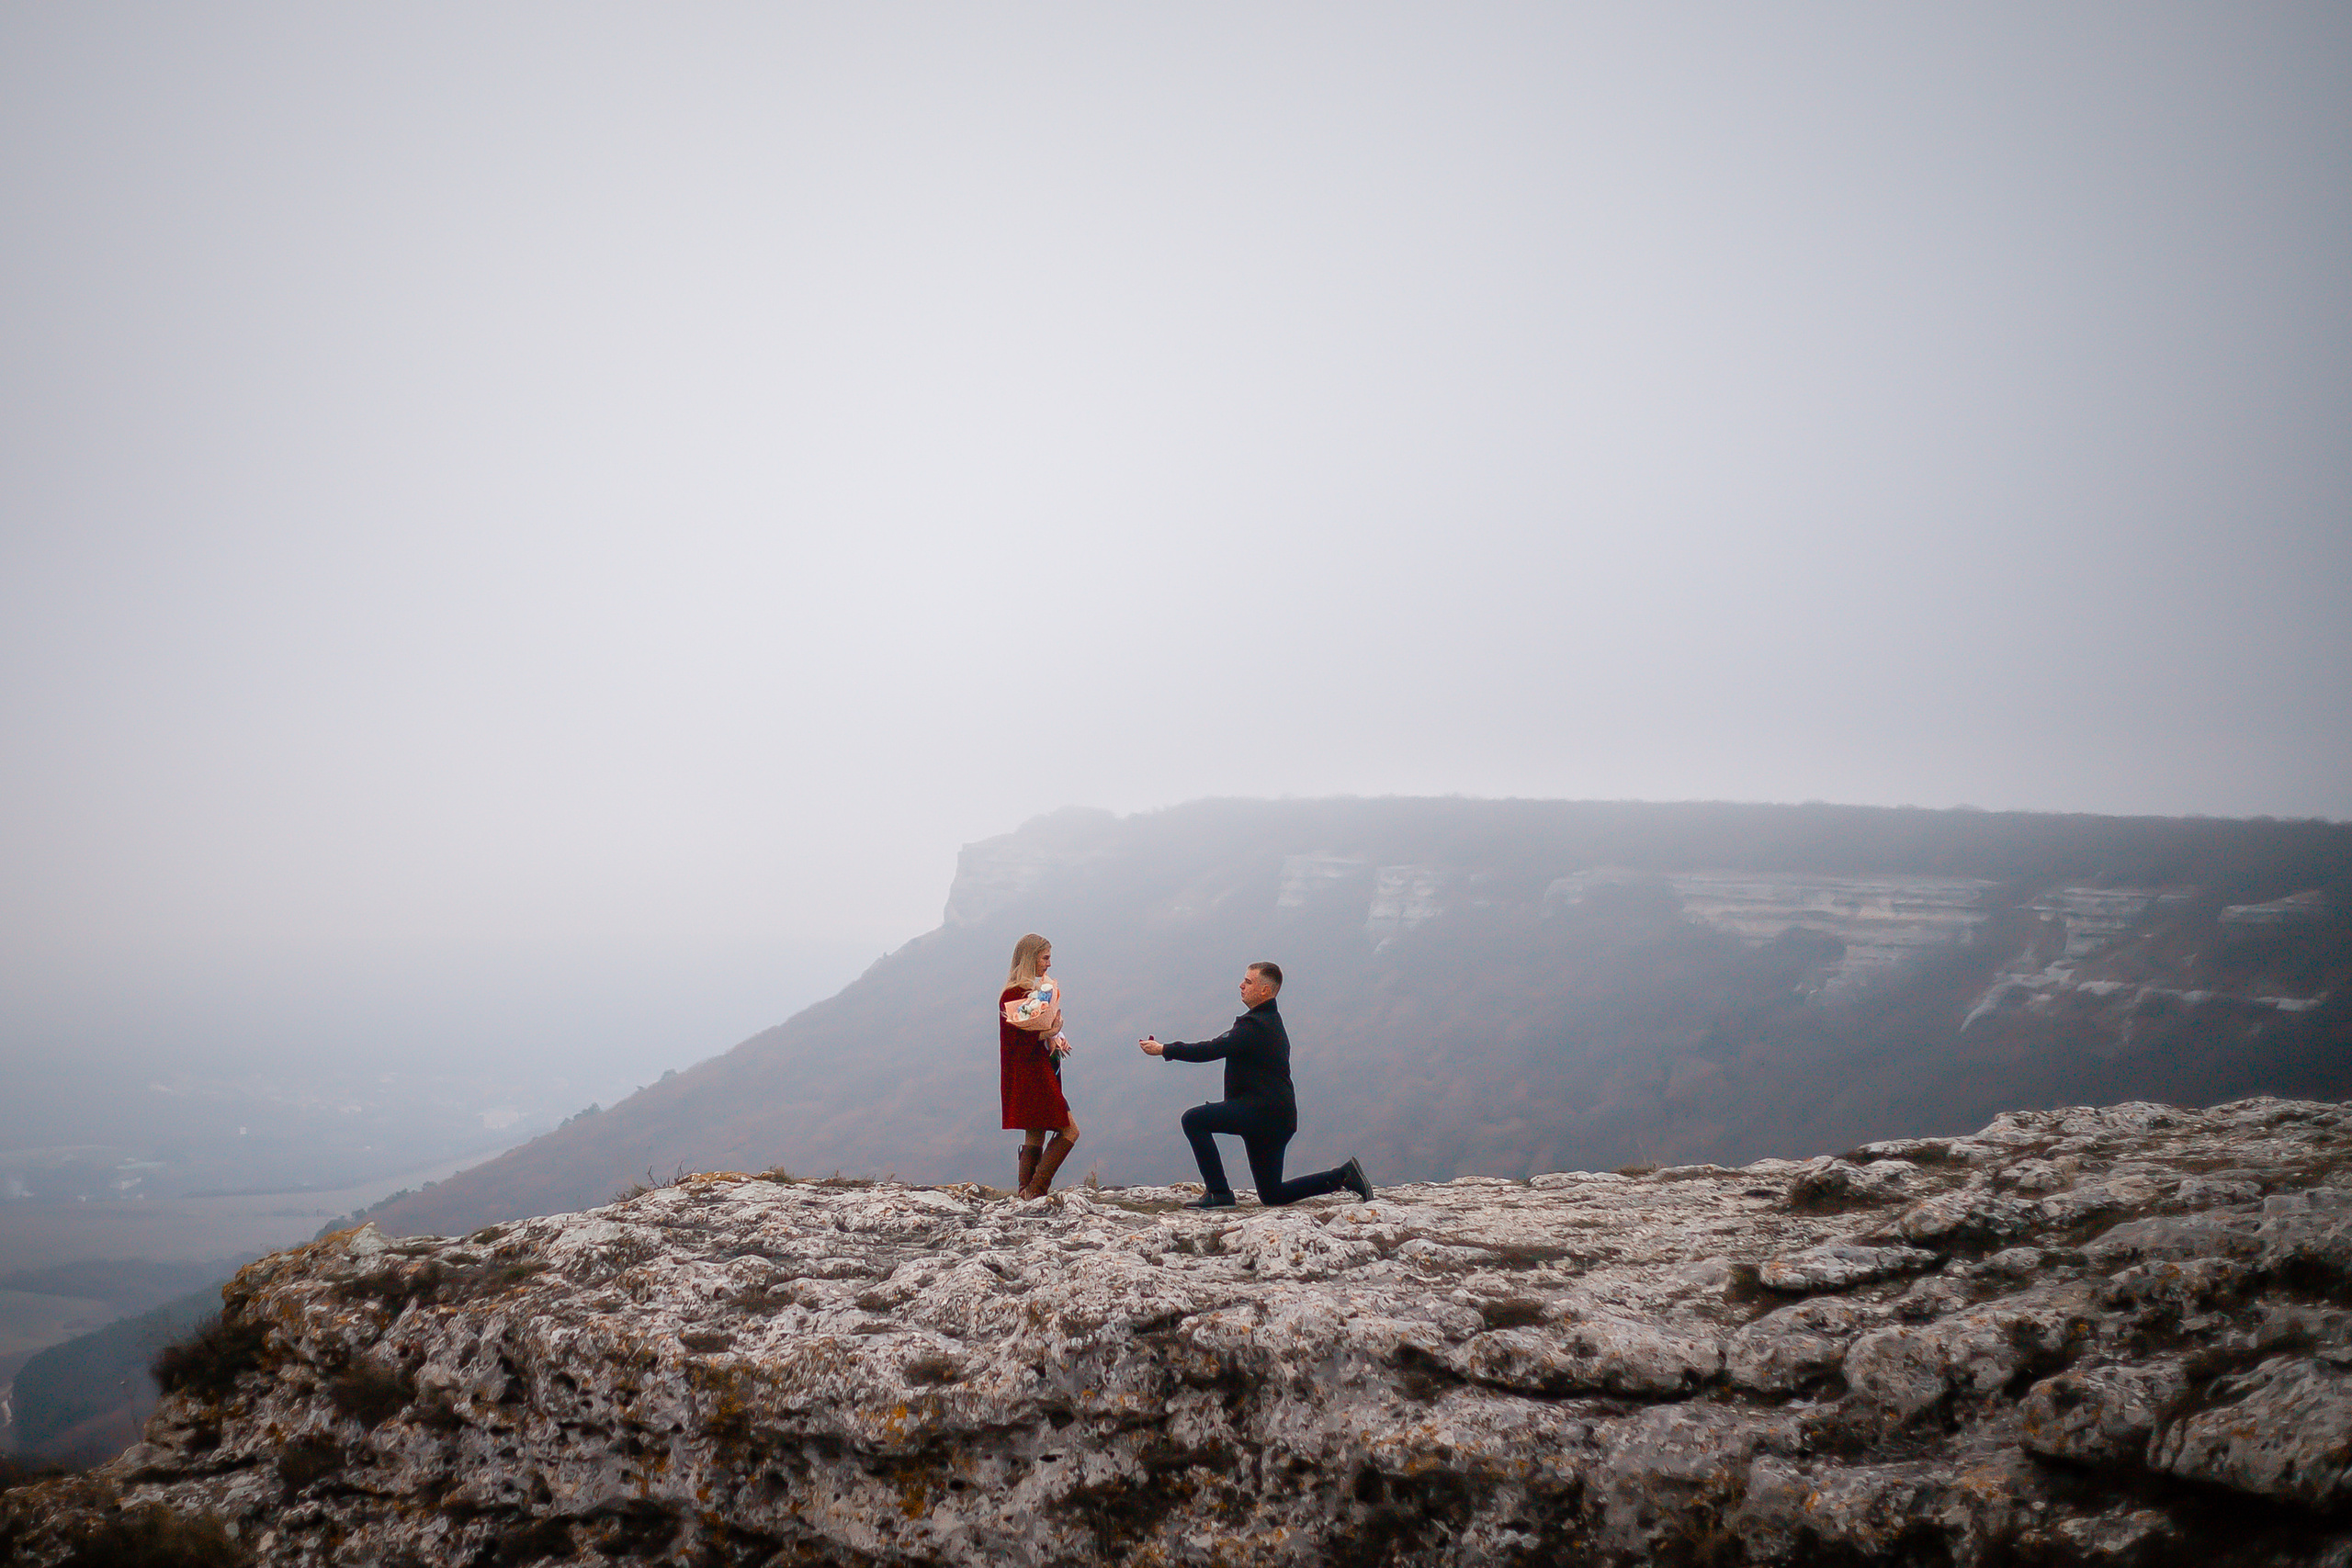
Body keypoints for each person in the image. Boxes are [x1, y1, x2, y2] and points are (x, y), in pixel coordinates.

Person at [1139, 961, 1374, 1210]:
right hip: (1276, 1117)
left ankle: (1219, 1193)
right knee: (1272, 1195)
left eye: (1248, 982)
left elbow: (1211, 1049)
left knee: (1193, 1120)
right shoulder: (1268, 1022)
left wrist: (1165, 1049)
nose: (1241, 985)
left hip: (1261, 1113)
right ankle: (1344, 1176)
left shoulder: (1255, 1026)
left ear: (1265, 991)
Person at [1001, 932, 1080, 1199]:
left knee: (1035, 1133)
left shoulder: (1022, 993)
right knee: (1069, 1130)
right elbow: (1019, 1041)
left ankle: (1025, 1192)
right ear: (1030, 958)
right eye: (1045, 958)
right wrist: (1050, 1031)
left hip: (1033, 1071)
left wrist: (1053, 1036)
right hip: (1032, 1074)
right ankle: (1036, 1190)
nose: (1048, 964)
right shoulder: (1014, 995)